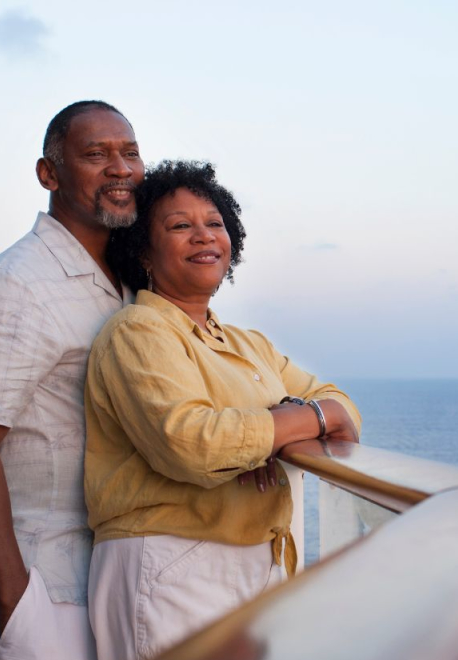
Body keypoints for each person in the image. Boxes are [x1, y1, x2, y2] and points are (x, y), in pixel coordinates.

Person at [84, 160, 362, 659]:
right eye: (180, 226)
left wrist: (270, 436)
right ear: (143, 251)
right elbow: (193, 444)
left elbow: (343, 406)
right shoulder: (137, 332)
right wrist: (299, 421)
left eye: (214, 223)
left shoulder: (246, 343)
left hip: (260, 560)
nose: (203, 236)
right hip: (172, 562)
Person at [0, 100, 144, 659]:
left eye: (129, 152)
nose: (120, 168)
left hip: (99, 577)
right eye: (96, 154)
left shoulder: (126, 284)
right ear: (48, 174)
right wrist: (15, 598)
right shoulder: (15, 285)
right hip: (37, 584)